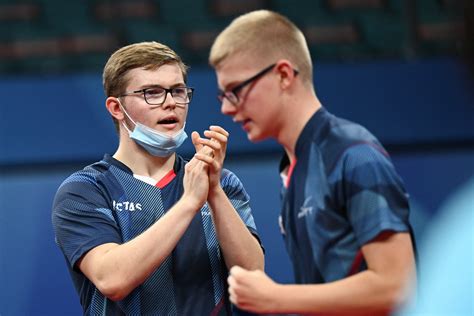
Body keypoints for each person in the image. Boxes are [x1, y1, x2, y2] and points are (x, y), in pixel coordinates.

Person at [209, 10, 416, 315]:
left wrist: (277, 298)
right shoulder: (292, 168)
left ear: (283, 74)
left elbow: (397, 285)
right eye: (222, 95)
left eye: (236, 90)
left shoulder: (354, 154)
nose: (227, 108)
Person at [52, 41, 264, 315]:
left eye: (177, 91)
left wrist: (214, 193)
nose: (170, 103)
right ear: (116, 108)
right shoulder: (85, 190)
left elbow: (252, 275)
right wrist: (190, 202)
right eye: (151, 93)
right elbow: (112, 279)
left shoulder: (222, 183)